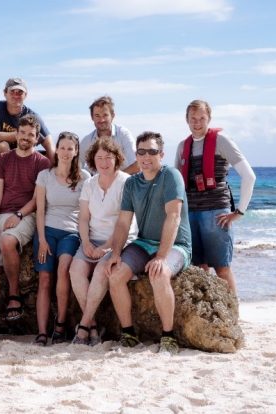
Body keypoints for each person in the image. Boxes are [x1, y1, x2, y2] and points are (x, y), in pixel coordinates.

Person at [92, 132, 192, 355]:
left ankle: (168, 336)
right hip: (144, 242)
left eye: (152, 151)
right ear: (136, 155)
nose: (146, 156)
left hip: (177, 244)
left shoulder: (171, 176)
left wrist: (161, 257)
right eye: (141, 152)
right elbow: (123, 223)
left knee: (159, 274)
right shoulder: (132, 184)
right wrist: (116, 253)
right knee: (115, 274)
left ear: (162, 154)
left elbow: (173, 217)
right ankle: (129, 334)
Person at [175, 99, 256, 293]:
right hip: (191, 213)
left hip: (216, 213)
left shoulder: (222, 141)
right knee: (198, 268)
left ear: (209, 118)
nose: (197, 122)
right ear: (186, 120)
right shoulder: (181, 147)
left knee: (222, 268)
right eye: (193, 118)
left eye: (202, 118)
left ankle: (233, 315)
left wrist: (239, 212)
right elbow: (176, 185)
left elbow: (249, 177)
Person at [69, 138, 137, 346]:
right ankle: (93, 327)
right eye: (99, 158)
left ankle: (83, 327)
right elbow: (83, 218)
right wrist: (86, 242)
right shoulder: (89, 183)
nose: (104, 162)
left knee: (101, 271)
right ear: (93, 160)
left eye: (109, 157)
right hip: (92, 239)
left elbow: (123, 223)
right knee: (75, 271)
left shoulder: (126, 182)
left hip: (119, 240)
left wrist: (105, 247)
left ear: (117, 159)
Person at [0, 114, 51, 321]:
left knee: (7, 241)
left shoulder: (42, 163)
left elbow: (37, 199)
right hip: (2, 214)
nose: (25, 137)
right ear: (16, 133)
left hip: (26, 214)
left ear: (36, 137)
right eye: (22, 133)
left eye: (30, 134)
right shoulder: (4, 159)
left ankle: (14, 295)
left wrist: (19, 214)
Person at [33, 132, 91, 346]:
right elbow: (39, 211)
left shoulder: (84, 178)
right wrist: (42, 238)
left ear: (76, 152)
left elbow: (86, 213)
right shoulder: (45, 176)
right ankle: (41, 332)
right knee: (45, 279)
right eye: (63, 148)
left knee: (64, 269)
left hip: (71, 232)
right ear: (56, 150)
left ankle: (60, 325)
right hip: (47, 230)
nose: (66, 152)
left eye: (70, 148)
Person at [0, 78, 55, 162]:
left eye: (20, 92)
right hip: (2, 156)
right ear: (5, 93)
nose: (16, 95)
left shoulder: (33, 116)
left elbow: (49, 144)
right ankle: (10, 173)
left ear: (25, 95)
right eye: (12, 91)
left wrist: (53, 168)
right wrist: (22, 135)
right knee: (2, 146)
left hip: (26, 153)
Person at [79, 96, 138, 174]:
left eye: (105, 115)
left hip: (124, 183)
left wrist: (114, 180)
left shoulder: (123, 135)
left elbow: (136, 165)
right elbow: (77, 166)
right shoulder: (86, 141)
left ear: (112, 115)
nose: (101, 120)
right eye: (97, 116)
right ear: (92, 117)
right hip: (97, 184)